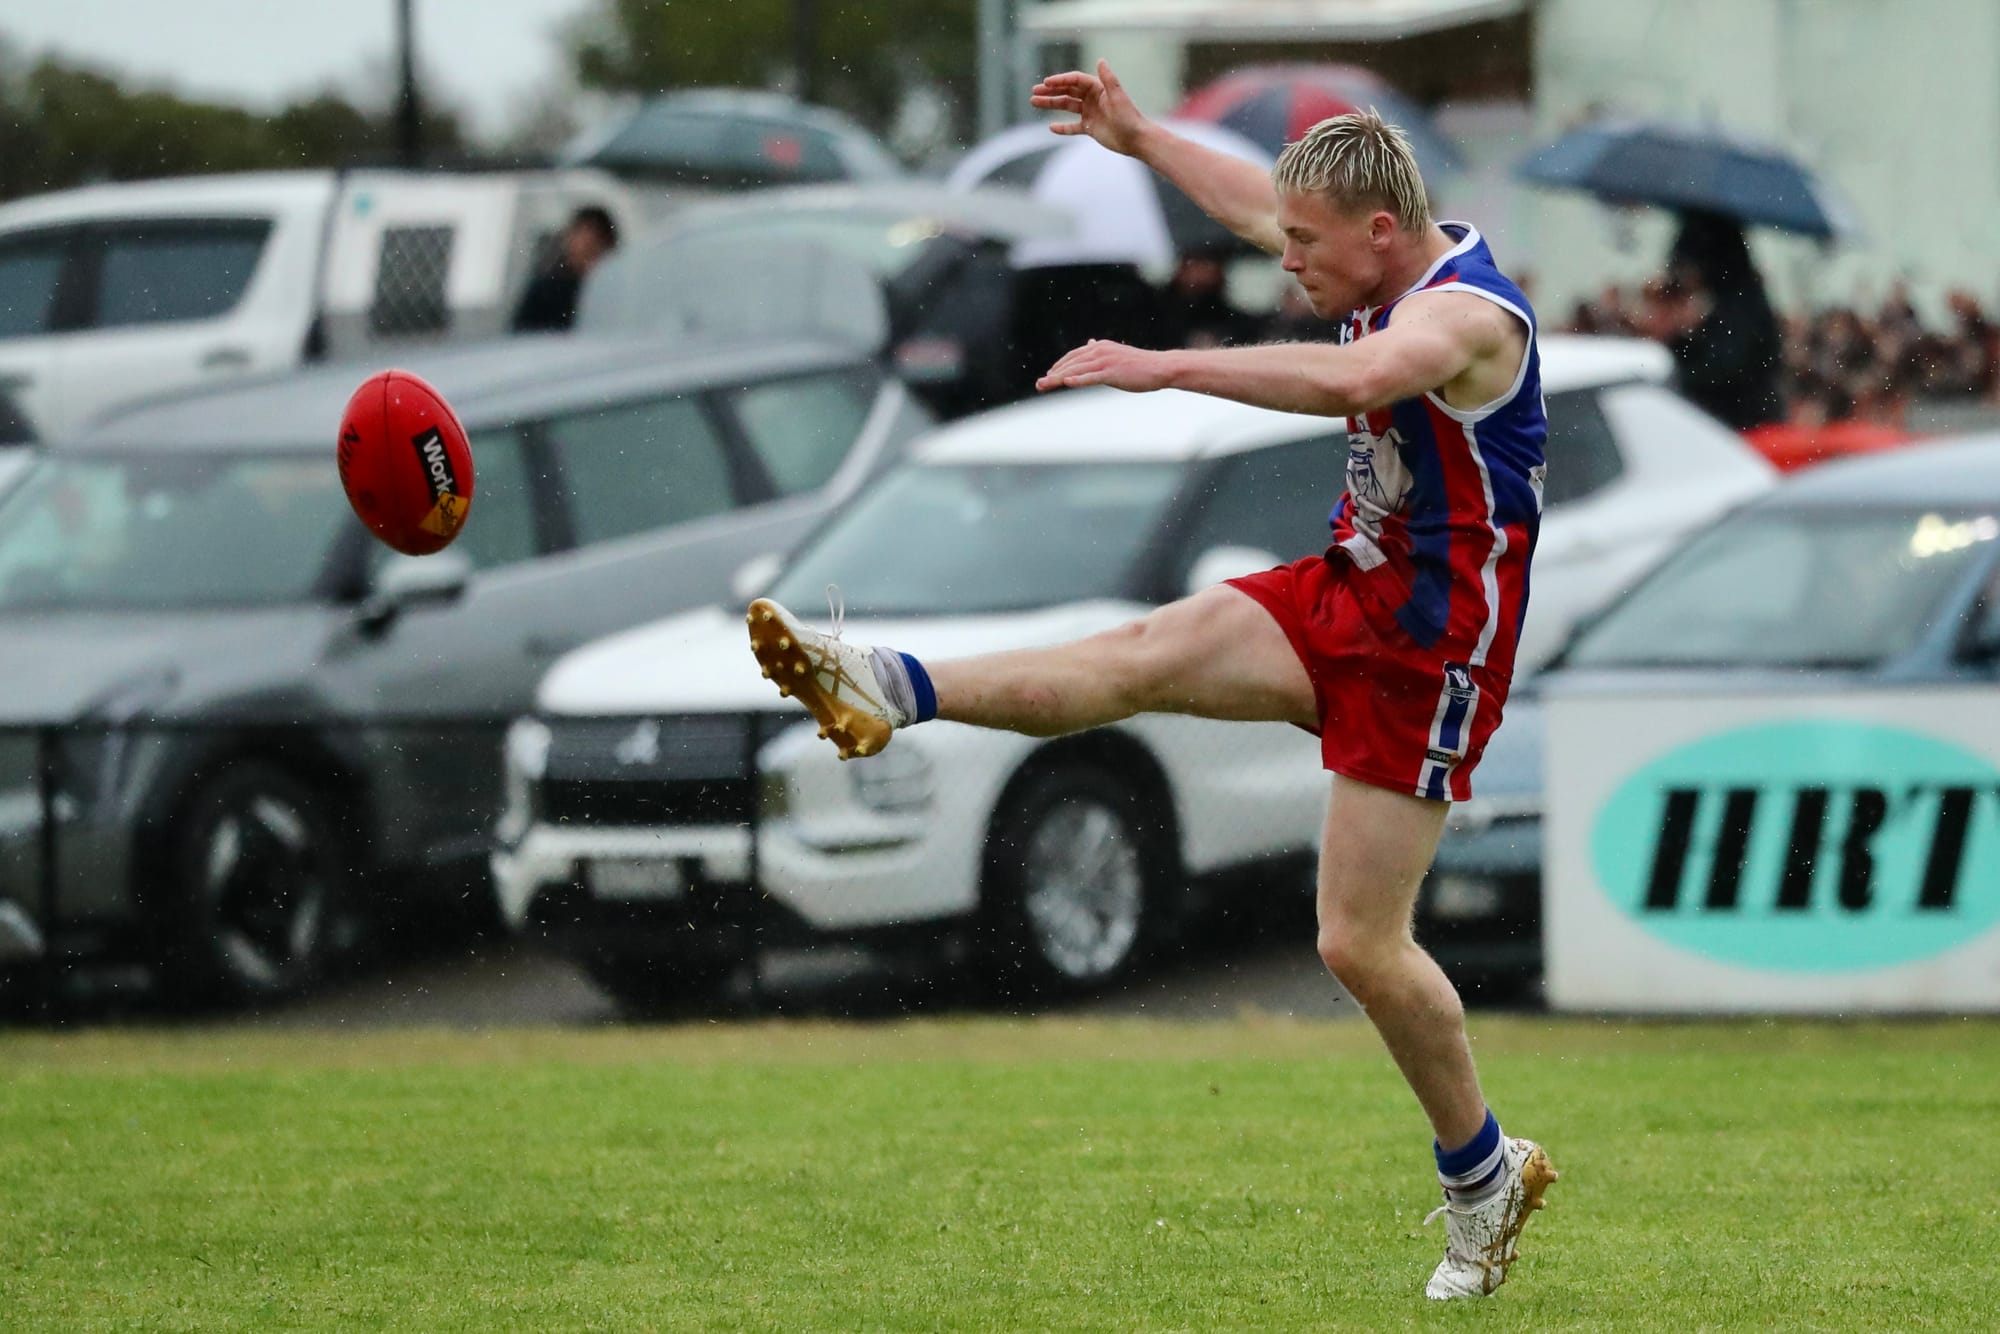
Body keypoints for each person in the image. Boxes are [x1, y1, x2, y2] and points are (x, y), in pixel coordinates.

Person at [743, 60, 1557, 1301]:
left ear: (1380, 232)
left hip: (1430, 650)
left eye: (1305, 245)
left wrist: (1168, 364)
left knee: (1355, 941)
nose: (1283, 259)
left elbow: (1352, 381)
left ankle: (1481, 1175)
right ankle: (887, 687)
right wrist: (1136, 137)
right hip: (1348, 587)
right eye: (1287, 240)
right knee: (1138, 656)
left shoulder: (1467, 318)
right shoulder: (1362, 252)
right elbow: (1250, 203)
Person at [1642, 209, 1786, 429]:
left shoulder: (1740, 303)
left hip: (1746, 422)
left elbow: (1723, 367)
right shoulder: (1734, 298)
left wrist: (1678, 364)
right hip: (1736, 420)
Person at [510, 205, 618, 332]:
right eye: (582, 248)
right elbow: (523, 335)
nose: (586, 258)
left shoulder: (615, 295)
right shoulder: (546, 291)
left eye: (592, 248)